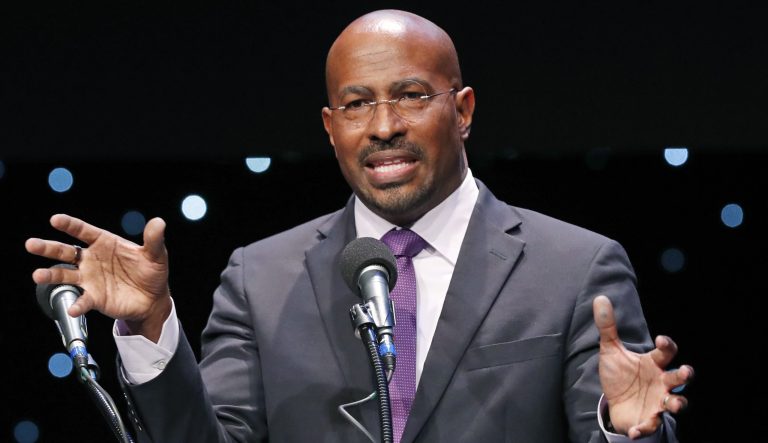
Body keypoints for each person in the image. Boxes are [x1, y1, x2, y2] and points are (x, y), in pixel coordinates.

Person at [25, 9, 693, 443]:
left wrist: (624, 431)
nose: (382, 127)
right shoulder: (261, 277)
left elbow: (620, 421)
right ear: (330, 126)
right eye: (356, 105)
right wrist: (150, 327)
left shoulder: (575, 268)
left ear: (462, 109)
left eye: (409, 96)